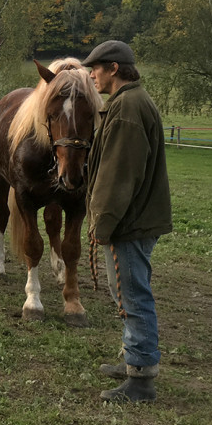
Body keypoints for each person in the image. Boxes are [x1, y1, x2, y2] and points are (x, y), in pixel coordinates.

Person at [83, 40, 172, 403]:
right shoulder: (127, 104)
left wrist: (101, 225)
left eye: (96, 68)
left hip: (128, 223)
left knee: (132, 296)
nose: (92, 75)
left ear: (114, 68)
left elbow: (118, 176)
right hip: (134, 220)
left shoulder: (127, 109)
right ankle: (133, 359)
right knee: (129, 291)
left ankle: (140, 379)